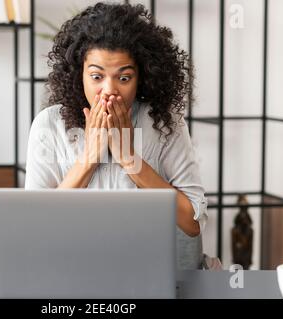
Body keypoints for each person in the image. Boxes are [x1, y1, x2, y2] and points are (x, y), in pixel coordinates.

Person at [25, 2, 208, 269]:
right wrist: (89, 158)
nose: (109, 91)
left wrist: (129, 158)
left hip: (148, 271)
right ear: (79, 75)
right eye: (97, 76)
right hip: (68, 269)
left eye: (124, 78)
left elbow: (193, 222)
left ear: (142, 77)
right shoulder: (49, 125)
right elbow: (34, 229)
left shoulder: (165, 124)